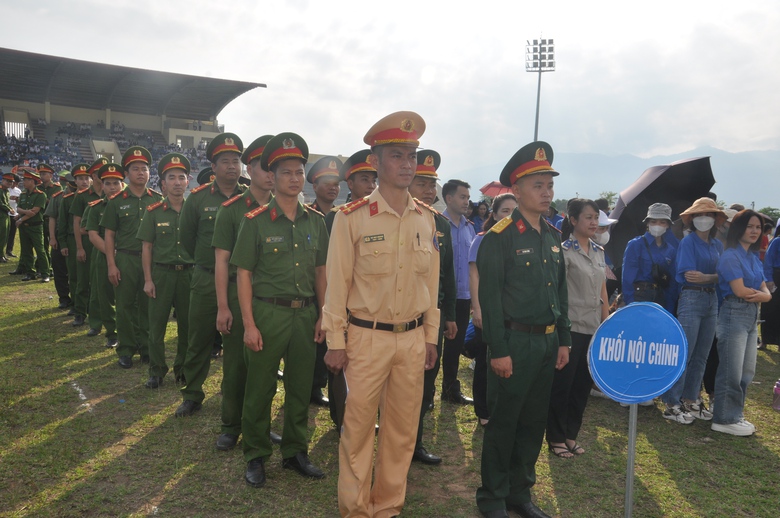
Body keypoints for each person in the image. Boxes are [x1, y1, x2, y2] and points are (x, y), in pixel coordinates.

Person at [323, 111, 440, 517]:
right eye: (397, 155)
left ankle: (388, 507)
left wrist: (429, 337)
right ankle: (355, 511)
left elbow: (433, 288)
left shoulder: (426, 219)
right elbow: (336, 288)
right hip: (365, 339)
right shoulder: (350, 219)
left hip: (411, 340)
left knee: (402, 432)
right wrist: (335, 342)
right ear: (375, 161)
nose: (408, 164)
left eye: (412, 155)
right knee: (356, 432)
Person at [475, 141, 569, 518]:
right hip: (513, 342)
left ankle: (520, 492)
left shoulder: (551, 235)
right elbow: (491, 300)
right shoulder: (499, 237)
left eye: (549, 185)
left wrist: (562, 340)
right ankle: (493, 496)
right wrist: (498, 350)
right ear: (515, 190)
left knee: (532, 422)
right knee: (504, 423)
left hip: (546, 343)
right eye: (538, 185)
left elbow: (558, 291)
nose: (546, 193)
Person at [231, 132, 328, 487]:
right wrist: (249, 324)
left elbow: (321, 271)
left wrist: (323, 314)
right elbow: (243, 274)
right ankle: (256, 454)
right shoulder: (255, 221)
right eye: (286, 172)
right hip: (267, 314)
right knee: (260, 387)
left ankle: (295, 451)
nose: (294, 178)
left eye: (299, 171)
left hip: (304, 315)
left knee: (301, 388)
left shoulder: (315, 222)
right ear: (272, 177)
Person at [212, 135, 277, 451]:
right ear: (249, 169)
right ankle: (231, 424)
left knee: (265, 370)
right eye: (264, 167)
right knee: (236, 365)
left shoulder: (288, 208)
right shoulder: (232, 210)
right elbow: (222, 261)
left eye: (274, 167)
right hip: (240, 298)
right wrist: (224, 306)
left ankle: (259, 425)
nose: (270, 174)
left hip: (275, 300)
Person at [176, 133, 246, 418]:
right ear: (213, 167)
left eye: (236, 160)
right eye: (225, 161)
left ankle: (233, 394)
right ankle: (192, 393)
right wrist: (207, 263)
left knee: (238, 342)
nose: (232, 166)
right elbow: (187, 237)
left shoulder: (251, 198)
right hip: (205, 278)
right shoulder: (198, 198)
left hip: (242, 282)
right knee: (199, 338)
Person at [546, 198, 608, 458]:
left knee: (582, 385)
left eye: (596, 217)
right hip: (570, 328)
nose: (594, 222)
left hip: (593, 328)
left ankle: (571, 435)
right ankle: (556, 438)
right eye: (588, 217)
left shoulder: (599, 251)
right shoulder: (563, 252)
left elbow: (603, 291)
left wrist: (606, 325)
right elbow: (557, 293)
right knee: (563, 385)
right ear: (572, 221)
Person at [408, 149, 457, 465]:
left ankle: (415, 443)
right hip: (396, 316)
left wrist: (450, 315)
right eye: (423, 183)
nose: (430, 190)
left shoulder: (441, 224)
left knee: (426, 381)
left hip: (430, 318)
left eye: (432, 184)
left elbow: (447, 274)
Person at [660, 197, 726, 424]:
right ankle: (671, 402)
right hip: (691, 297)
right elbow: (690, 276)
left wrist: (710, 277)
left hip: (711, 301)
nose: (703, 219)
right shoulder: (688, 243)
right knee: (685, 352)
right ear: (692, 220)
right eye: (699, 215)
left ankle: (691, 398)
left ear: (716, 219)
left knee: (702, 354)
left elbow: (722, 275)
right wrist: (715, 277)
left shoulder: (717, 245)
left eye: (708, 215)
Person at [101, 146, 163, 369]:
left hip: (152, 261)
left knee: (149, 305)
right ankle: (126, 349)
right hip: (125, 259)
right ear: (126, 174)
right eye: (135, 169)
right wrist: (111, 265)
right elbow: (109, 235)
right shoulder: (116, 201)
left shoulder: (157, 200)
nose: (140, 173)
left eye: (144, 169)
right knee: (125, 306)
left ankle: (147, 348)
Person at [711, 210, 772, 436]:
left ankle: (735, 414)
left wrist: (764, 295)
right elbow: (739, 290)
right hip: (733, 313)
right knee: (731, 370)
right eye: (750, 227)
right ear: (739, 228)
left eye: (758, 227)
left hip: (751, 315)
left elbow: (766, 290)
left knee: (747, 371)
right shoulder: (729, 256)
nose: (755, 231)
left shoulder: (753, 258)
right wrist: (763, 295)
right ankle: (724, 418)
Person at [137, 153, 194, 389]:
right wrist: (148, 280)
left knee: (187, 327)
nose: (177, 182)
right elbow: (147, 247)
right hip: (162, 274)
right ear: (163, 183)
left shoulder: (195, 210)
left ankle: (182, 369)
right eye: (172, 177)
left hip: (189, 275)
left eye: (181, 177)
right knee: (156, 324)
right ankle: (157, 370)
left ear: (188, 181)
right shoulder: (154, 212)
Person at [469, 193, 518, 428]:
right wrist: (477, 309)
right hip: (488, 312)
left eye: (514, 211)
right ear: (494, 214)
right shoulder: (482, 239)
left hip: (512, 315)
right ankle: (484, 410)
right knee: (485, 361)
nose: (509, 216)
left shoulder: (521, 241)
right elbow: (474, 275)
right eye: (505, 211)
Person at [306, 156, 343, 408]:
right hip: (312, 289)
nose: (333, 187)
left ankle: (323, 385)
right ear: (315, 186)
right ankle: (312, 387)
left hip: (338, 290)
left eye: (336, 183)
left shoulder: (345, 216)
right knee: (315, 344)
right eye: (327, 182)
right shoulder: (307, 216)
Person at [441, 178, 476, 404]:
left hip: (463, 297)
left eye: (467, 198)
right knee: (432, 346)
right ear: (449, 198)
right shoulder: (436, 224)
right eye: (462, 197)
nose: (466, 202)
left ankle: (450, 388)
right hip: (440, 297)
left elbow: (473, 266)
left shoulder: (469, 228)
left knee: (455, 346)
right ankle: (426, 394)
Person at [85, 164, 123, 348]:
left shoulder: (130, 205)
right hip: (103, 256)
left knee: (131, 297)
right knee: (106, 296)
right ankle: (112, 332)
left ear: (122, 184)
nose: (112, 187)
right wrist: (112, 253)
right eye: (108, 183)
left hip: (129, 257)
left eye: (116, 183)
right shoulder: (96, 207)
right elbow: (93, 235)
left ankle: (132, 331)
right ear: (102, 185)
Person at [71, 158, 107, 336]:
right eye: (101, 173)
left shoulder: (115, 192)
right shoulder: (83, 195)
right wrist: (79, 247)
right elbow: (77, 223)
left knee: (103, 285)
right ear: (94, 175)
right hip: (88, 242)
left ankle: (105, 319)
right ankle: (81, 314)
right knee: (85, 280)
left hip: (110, 243)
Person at [621, 203, 678, 313]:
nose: (658, 225)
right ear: (647, 223)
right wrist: (631, 304)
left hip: (661, 297)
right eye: (653, 221)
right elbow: (627, 278)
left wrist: (669, 308)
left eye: (662, 222)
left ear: (668, 225)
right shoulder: (636, 244)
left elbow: (672, 282)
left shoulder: (671, 250)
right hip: (640, 296)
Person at [15, 168, 50, 282]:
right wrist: (25, 213)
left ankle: (45, 273)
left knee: (40, 250)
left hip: (35, 226)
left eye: (26, 180)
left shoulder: (41, 195)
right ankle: (30, 273)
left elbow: (35, 211)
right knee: (26, 251)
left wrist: (21, 219)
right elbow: (19, 208)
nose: (23, 182)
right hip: (24, 226)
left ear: (33, 181)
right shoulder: (23, 194)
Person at [761, 226, 780, 346]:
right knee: (769, 308)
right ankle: (765, 340)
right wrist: (768, 279)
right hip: (776, 276)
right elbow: (768, 260)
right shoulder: (777, 241)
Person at [0, 172, 15, 263]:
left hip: (5, 215)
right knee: (1, 235)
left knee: (5, 236)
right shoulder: (1, 190)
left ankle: (2, 254)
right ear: (3, 180)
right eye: (7, 181)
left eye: (11, 182)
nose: (9, 183)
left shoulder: (6, 191)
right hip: (1, 214)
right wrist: (9, 209)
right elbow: (1, 204)